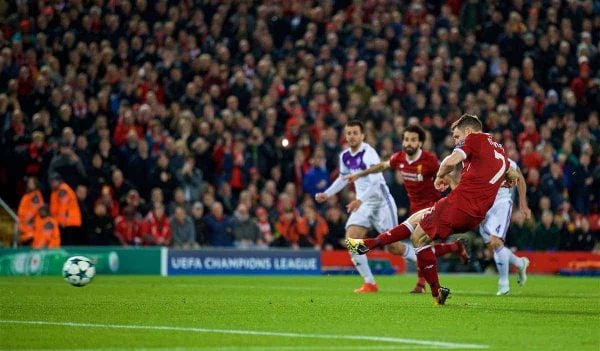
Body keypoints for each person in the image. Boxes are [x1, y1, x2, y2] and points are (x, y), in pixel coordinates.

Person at [348, 114, 512, 304]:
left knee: (417, 237)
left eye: (458, 137)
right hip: (474, 213)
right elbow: (509, 171)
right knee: (415, 221)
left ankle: (434, 292)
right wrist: (512, 175)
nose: (456, 142)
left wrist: (440, 175)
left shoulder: (473, 139)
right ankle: (370, 244)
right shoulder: (498, 149)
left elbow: (449, 162)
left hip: (459, 204)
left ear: (468, 132)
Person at [345, 124, 467, 293]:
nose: (409, 143)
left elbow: (448, 175)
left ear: (420, 143)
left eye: (413, 140)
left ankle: (421, 284)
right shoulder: (400, 158)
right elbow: (383, 165)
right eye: (406, 139)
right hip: (415, 209)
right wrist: (359, 174)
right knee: (422, 246)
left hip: (433, 207)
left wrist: (460, 197)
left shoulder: (429, 160)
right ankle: (455, 248)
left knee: (421, 243)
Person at [315, 120, 400, 293]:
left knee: (394, 247)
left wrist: (359, 201)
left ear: (362, 135)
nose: (352, 136)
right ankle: (370, 282)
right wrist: (328, 193)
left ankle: (424, 262)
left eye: (355, 133)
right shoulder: (345, 156)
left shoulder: (369, 154)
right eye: (349, 133)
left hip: (381, 202)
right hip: (363, 204)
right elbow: (343, 178)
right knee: (352, 239)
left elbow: (376, 183)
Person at [49, 173, 82, 245]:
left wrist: (62, 222)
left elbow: (63, 207)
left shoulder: (63, 189)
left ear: (59, 181)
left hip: (69, 222)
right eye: (51, 182)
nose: (53, 183)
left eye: (54, 181)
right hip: (66, 222)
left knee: (69, 245)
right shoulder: (56, 191)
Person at [17, 177, 44, 245]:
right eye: (28, 183)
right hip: (23, 226)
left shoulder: (36, 195)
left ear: (36, 185)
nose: (29, 184)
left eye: (31, 183)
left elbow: (36, 209)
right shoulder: (27, 195)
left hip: (31, 227)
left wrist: (28, 220)